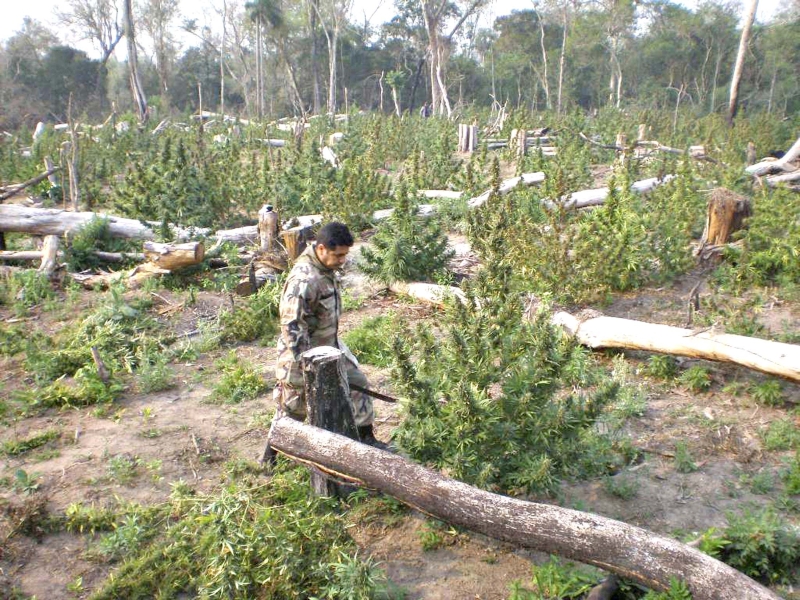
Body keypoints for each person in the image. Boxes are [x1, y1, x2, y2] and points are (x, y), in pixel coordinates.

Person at [274, 222, 384, 447]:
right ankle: (271, 455)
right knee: (292, 409)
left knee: (357, 384)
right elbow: (292, 325)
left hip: (330, 347)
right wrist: (307, 364)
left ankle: (367, 439)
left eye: (345, 254)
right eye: (338, 255)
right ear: (321, 248)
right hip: (303, 354)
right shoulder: (304, 279)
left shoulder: (325, 268)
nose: (342, 260)